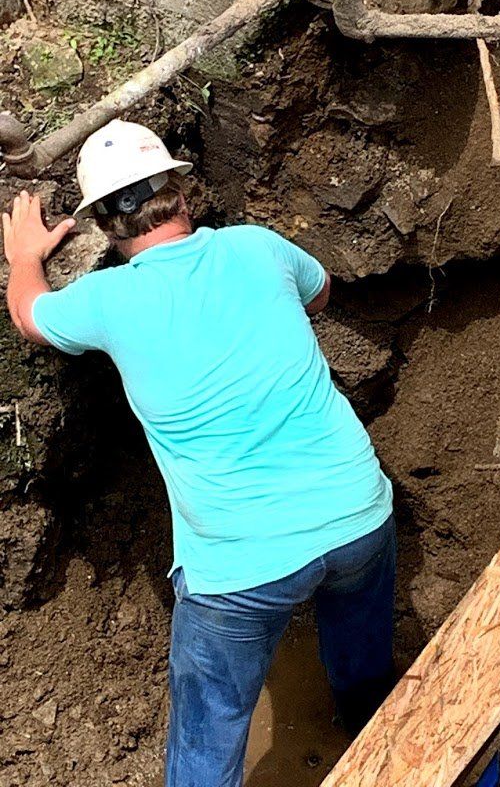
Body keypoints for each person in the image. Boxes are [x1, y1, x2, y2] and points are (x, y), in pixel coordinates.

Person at [2, 119, 395, 787]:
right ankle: (375, 731)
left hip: (240, 570)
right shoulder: (256, 246)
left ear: (105, 225)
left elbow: (29, 315)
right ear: (182, 195)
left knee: (209, 733)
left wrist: (23, 257)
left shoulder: (104, 299)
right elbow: (320, 292)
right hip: (358, 513)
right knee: (363, 666)